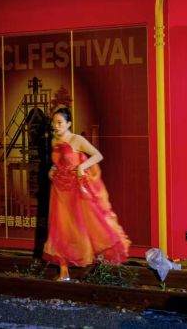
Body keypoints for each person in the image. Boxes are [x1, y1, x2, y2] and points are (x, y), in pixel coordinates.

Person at [43, 107, 131, 281]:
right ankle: (64, 272)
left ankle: (101, 266)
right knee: (60, 229)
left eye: (59, 123)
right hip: (59, 190)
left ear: (69, 123)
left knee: (88, 225)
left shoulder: (77, 140)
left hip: (76, 190)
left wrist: (82, 166)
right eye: (54, 123)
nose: (56, 126)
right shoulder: (54, 141)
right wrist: (52, 168)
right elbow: (57, 162)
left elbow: (98, 155)